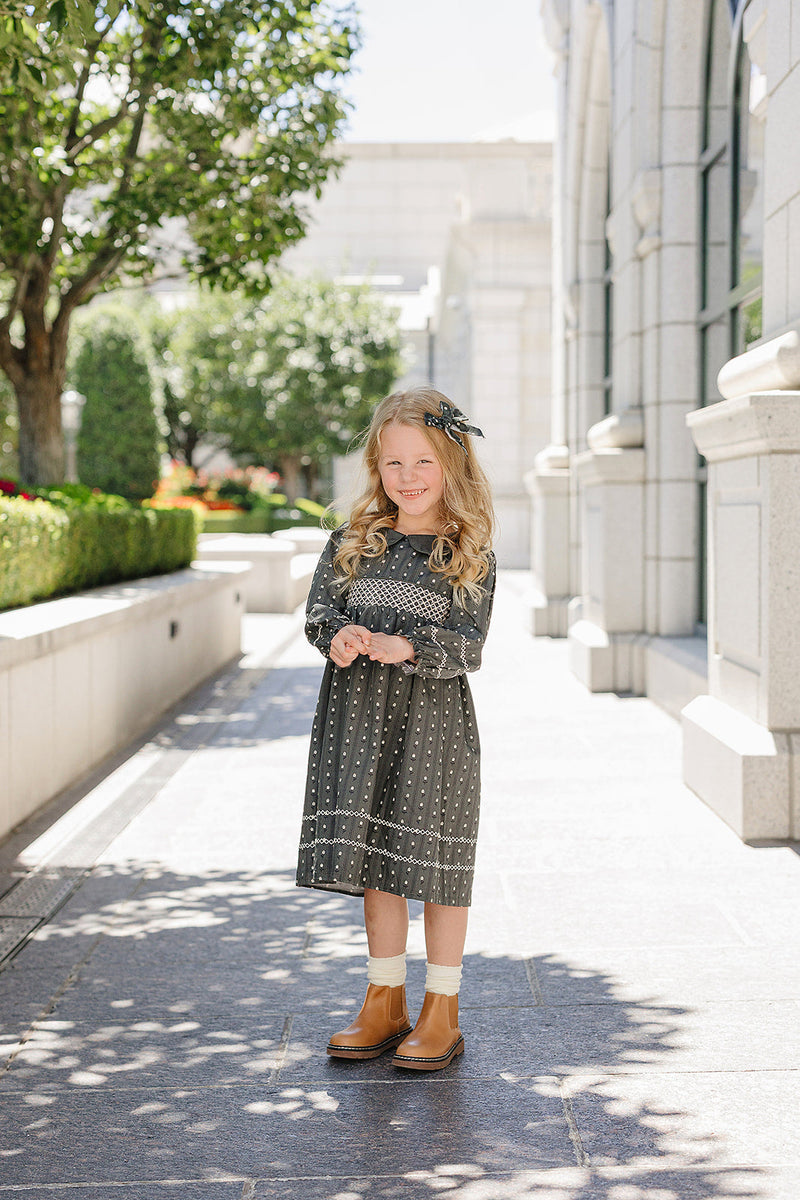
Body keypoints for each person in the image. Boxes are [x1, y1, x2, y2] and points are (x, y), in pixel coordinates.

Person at [296, 384, 496, 1071]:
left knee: (435, 870)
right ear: (376, 469)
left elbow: (470, 644)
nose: (408, 478)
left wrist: (410, 646)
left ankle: (443, 1011)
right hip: (361, 727)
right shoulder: (354, 541)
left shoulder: (465, 550)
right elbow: (319, 614)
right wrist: (341, 637)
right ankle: (385, 1000)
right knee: (381, 869)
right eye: (393, 465)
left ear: (452, 465)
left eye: (423, 463)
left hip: (431, 728)